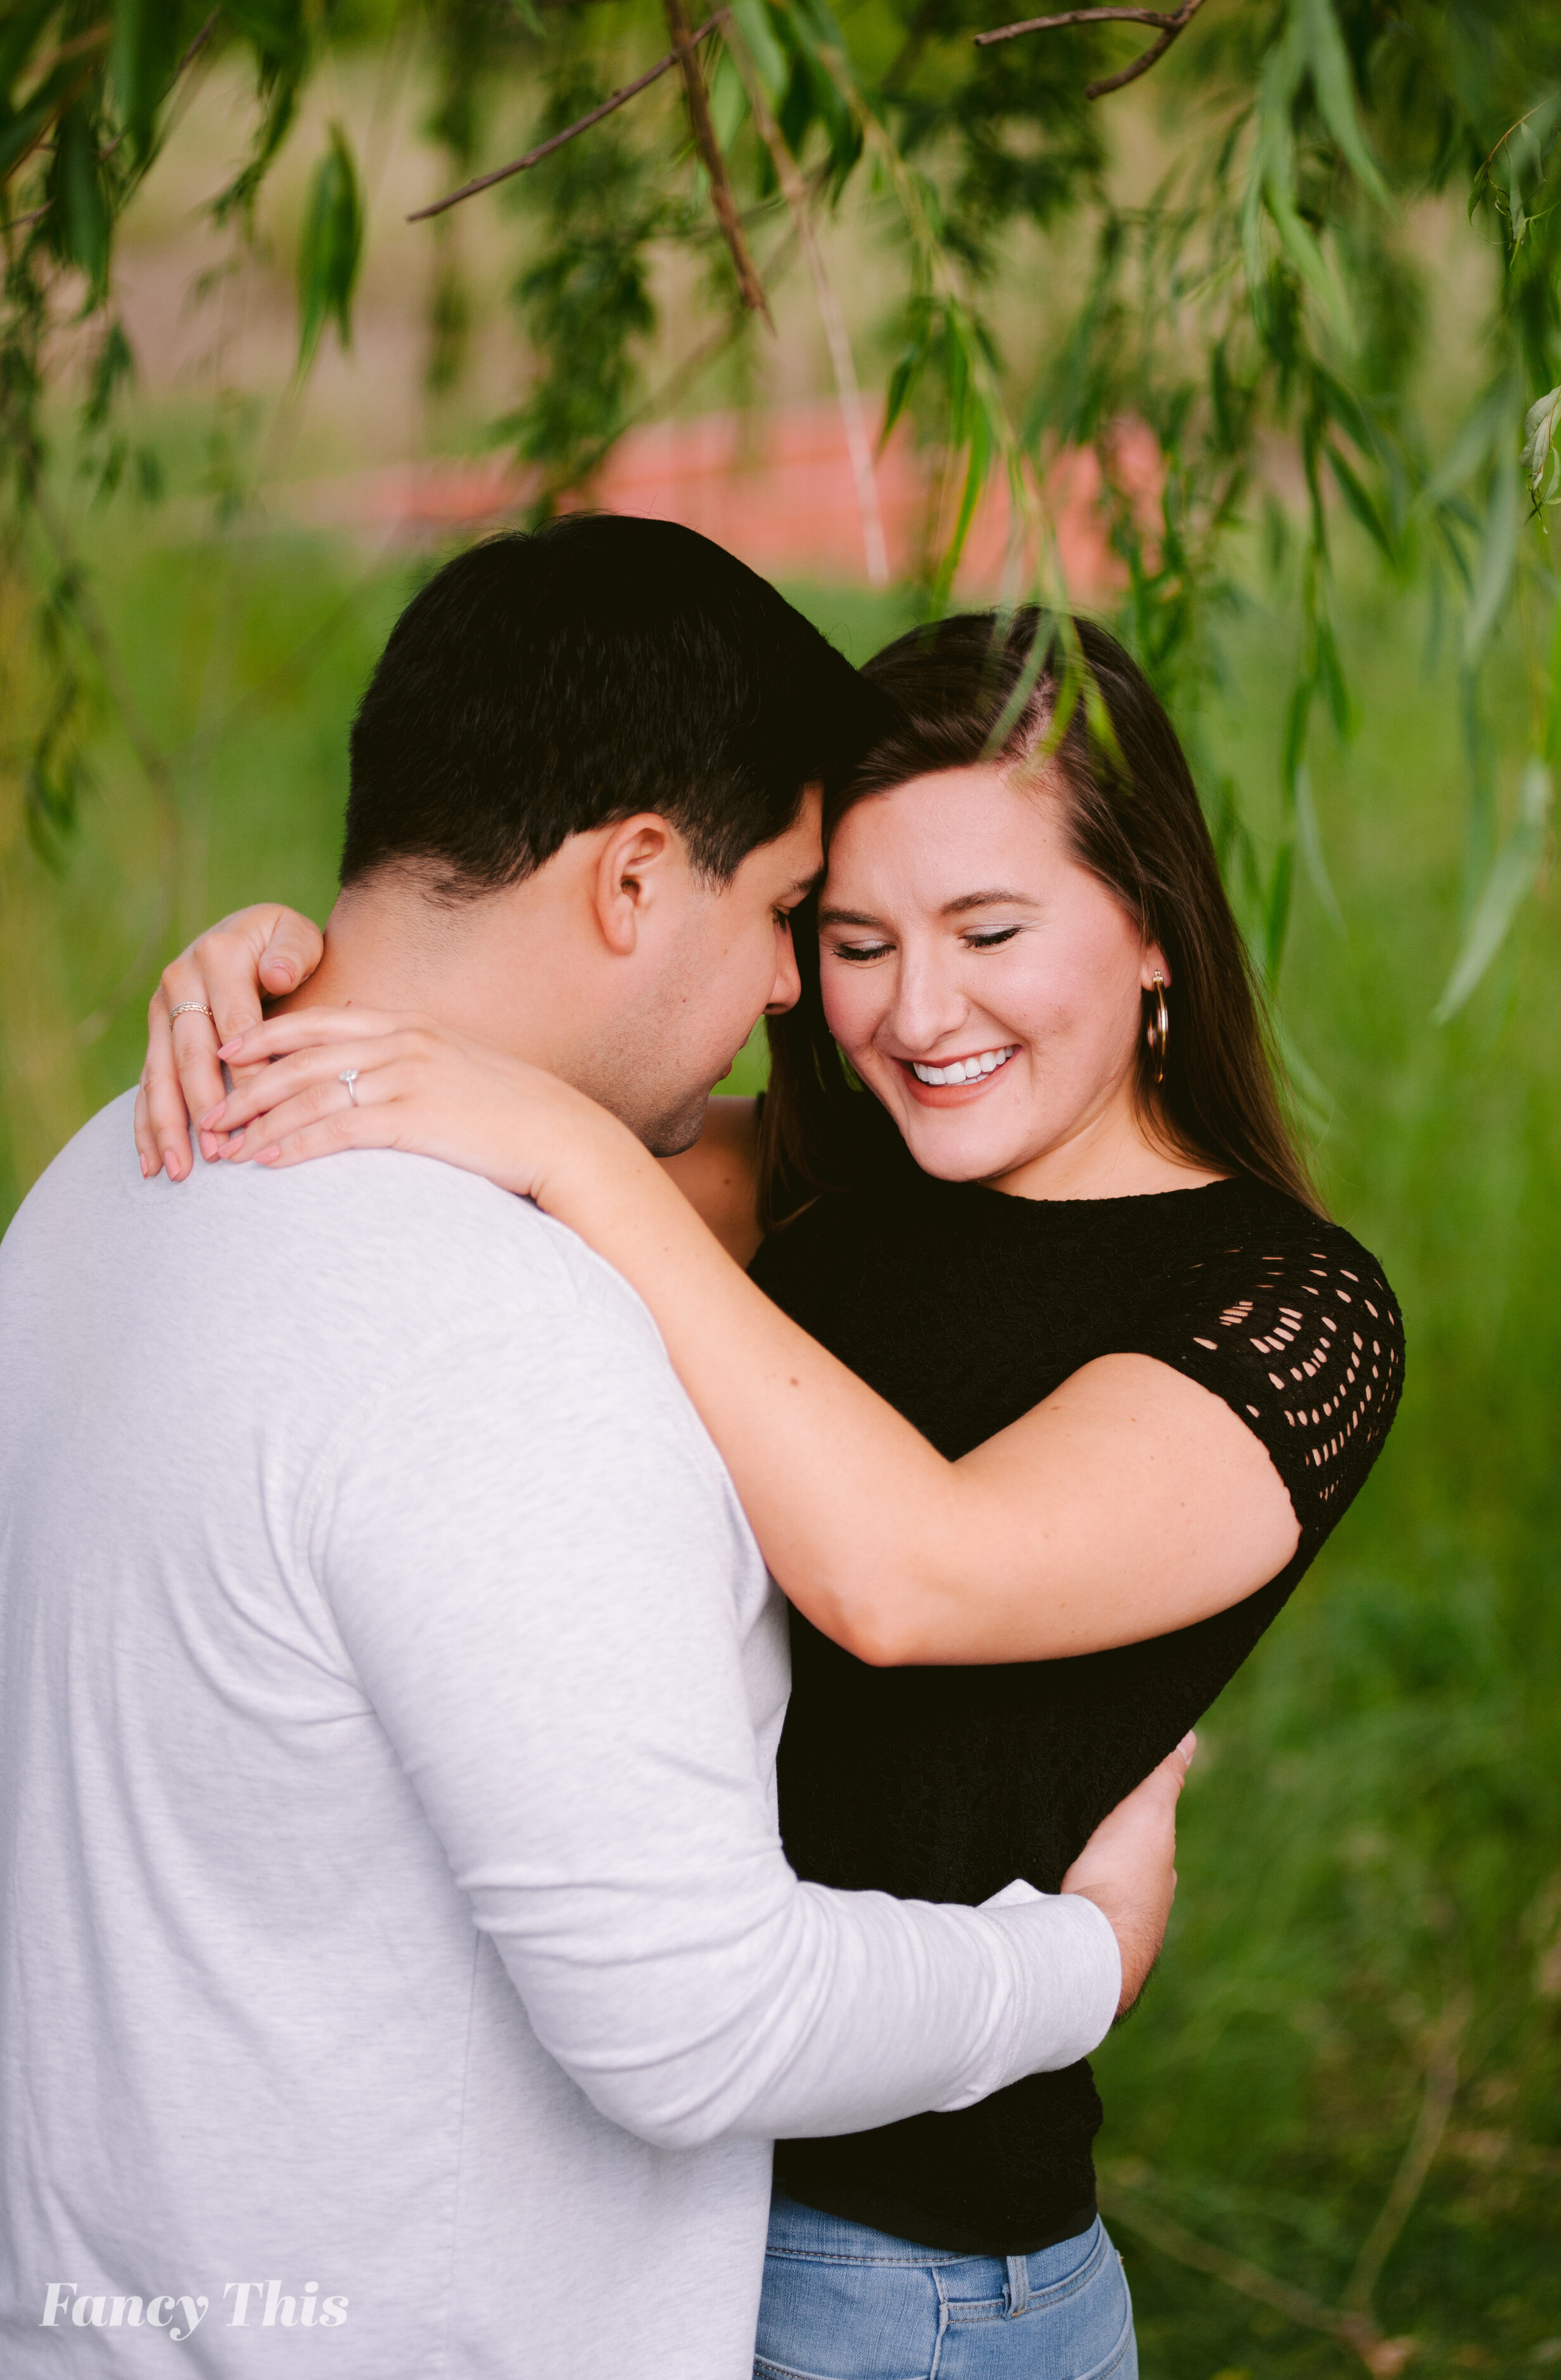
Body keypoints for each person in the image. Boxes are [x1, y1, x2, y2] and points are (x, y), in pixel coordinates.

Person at [150, 601, 1405, 2380]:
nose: (914, 1010)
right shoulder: (816, 1190)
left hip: (900, 2280)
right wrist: (269, 966)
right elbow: (462, 1074)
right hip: (601, 2226)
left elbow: (909, 1578)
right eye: (851, 940)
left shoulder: (1281, 1307)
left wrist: (582, 1157)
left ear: (1148, 932)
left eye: (988, 929)